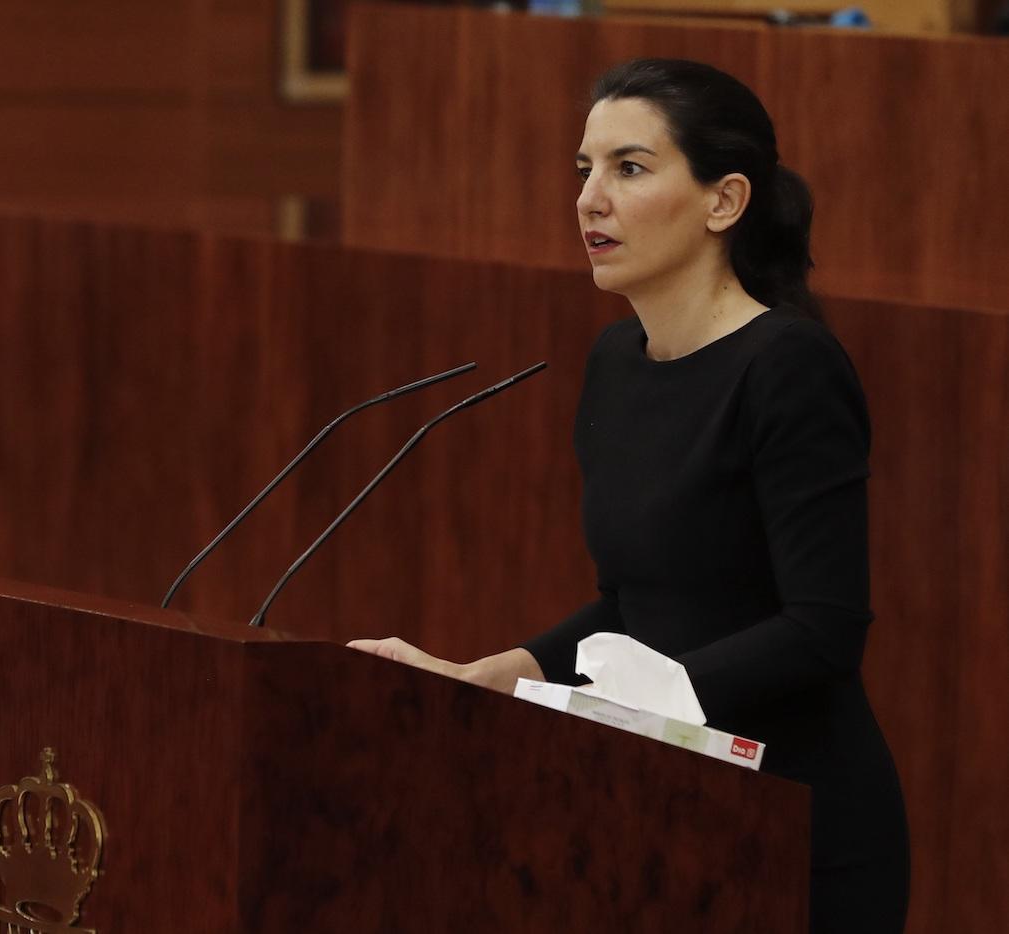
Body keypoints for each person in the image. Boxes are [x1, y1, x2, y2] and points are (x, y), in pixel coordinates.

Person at [348, 58, 910, 933]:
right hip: (653, 811)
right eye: (585, 170)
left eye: (630, 168)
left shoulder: (788, 368)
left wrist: (639, 697)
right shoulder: (617, 362)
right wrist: (512, 672)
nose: (590, 199)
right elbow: (634, 602)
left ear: (725, 202)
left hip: (792, 824)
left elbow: (824, 629)